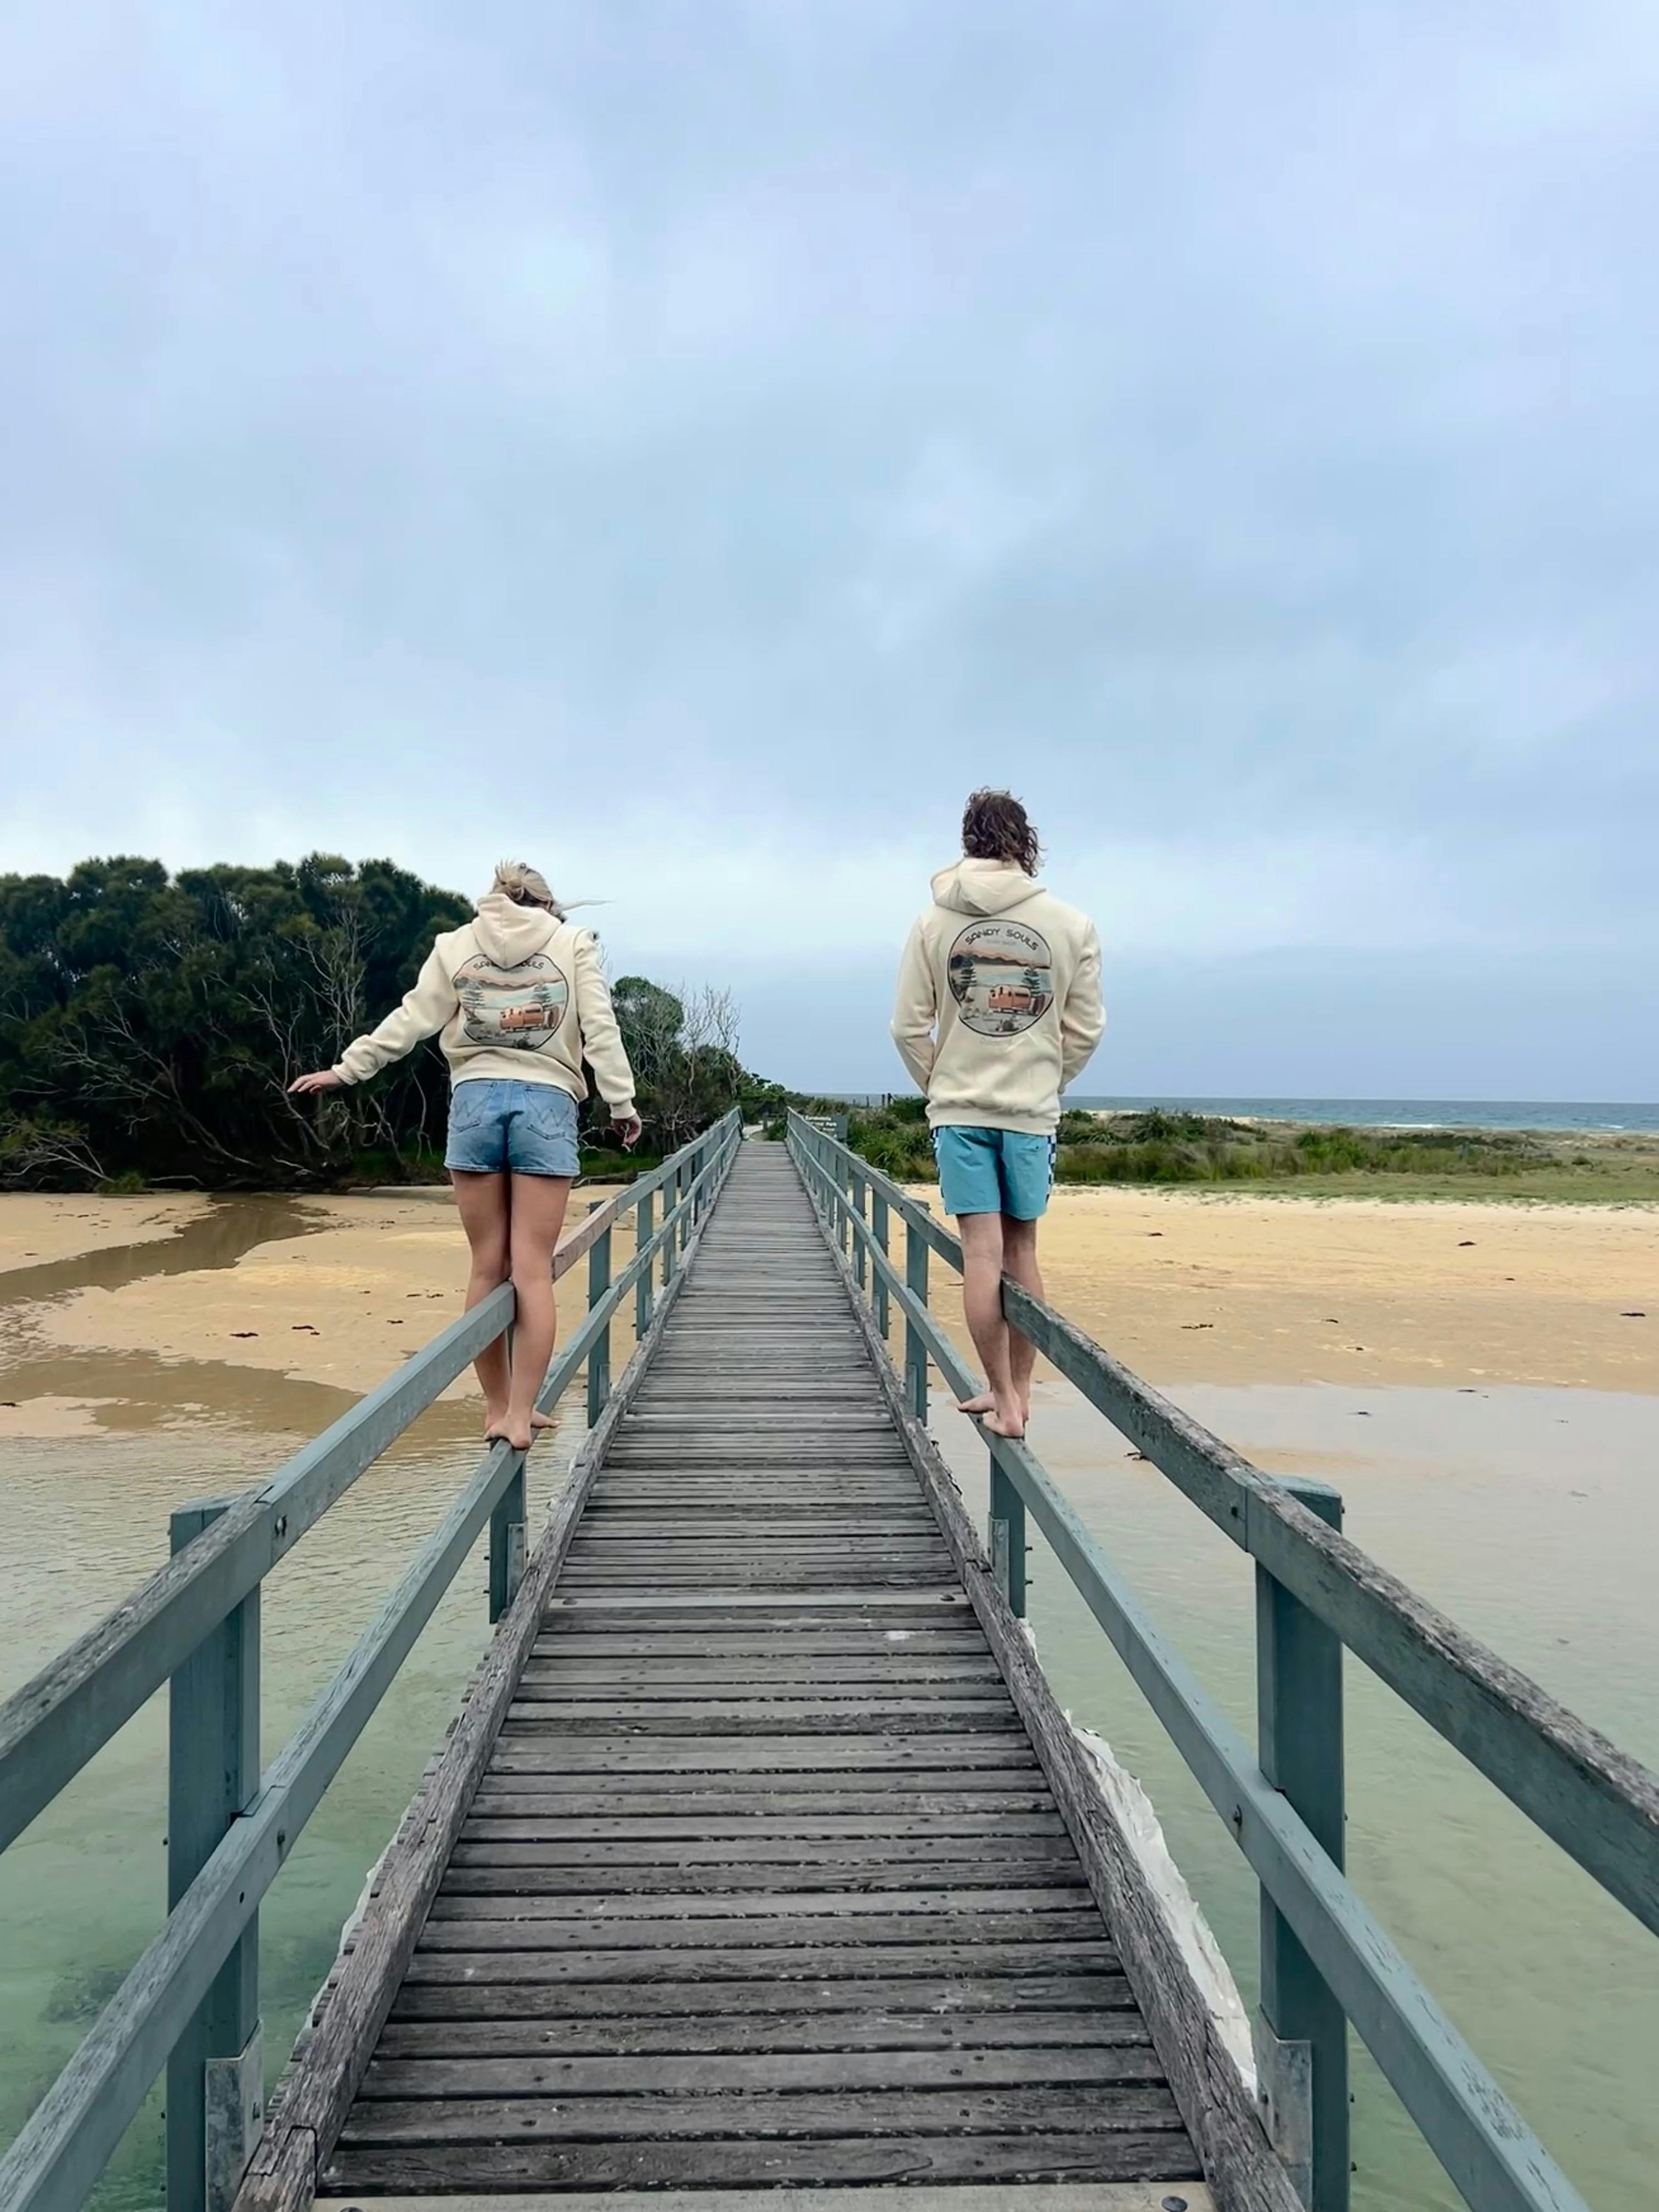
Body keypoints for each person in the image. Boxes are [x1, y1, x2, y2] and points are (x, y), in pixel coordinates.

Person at [289, 861, 641, 1451]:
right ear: (547, 906)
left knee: (485, 1266)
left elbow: (409, 1021)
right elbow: (600, 1029)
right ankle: (525, 1412)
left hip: (475, 1100)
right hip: (548, 1102)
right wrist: (622, 1104)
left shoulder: (454, 945)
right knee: (531, 1268)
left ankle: (497, 1409)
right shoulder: (572, 943)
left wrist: (345, 1071)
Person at [891, 791, 1104, 1438]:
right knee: (1023, 1250)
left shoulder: (934, 922)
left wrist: (942, 1086)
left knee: (980, 1256)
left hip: (960, 1111)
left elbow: (907, 1027)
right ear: (1024, 842)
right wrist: (1047, 1079)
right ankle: (1024, 1399)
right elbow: (1086, 1029)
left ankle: (999, 1394)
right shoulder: (1071, 924)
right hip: (1031, 1114)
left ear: (968, 842)